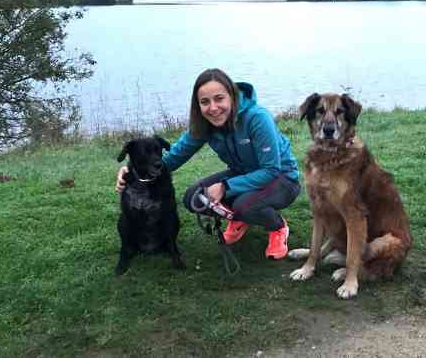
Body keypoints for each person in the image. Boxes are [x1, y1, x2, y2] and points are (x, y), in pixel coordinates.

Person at [116, 68, 301, 259]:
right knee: (193, 198)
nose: (213, 108)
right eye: (205, 102)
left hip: (282, 178)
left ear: (232, 96)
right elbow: (172, 158)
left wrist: (225, 186)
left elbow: (271, 169)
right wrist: (132, 172)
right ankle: (239, 219)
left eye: (219, 98)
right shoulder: (205, 124)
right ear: (198, 106)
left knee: (243, 206)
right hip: (243, 174)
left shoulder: (257, 118)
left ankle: (277, 226)